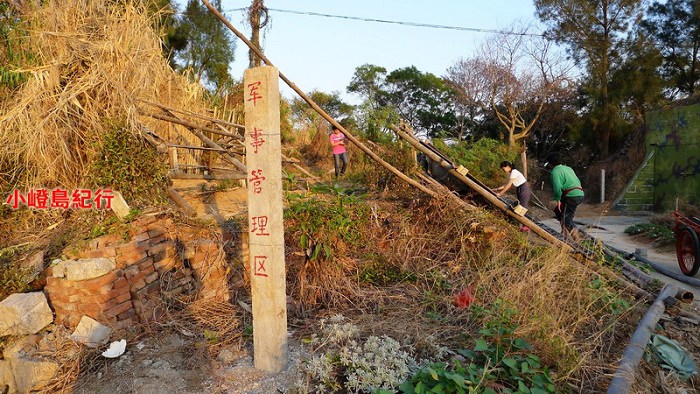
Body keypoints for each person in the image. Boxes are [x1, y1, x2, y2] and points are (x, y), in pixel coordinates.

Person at [545, 152, 584, 240]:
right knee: (558, 212)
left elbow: (557, 187)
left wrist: (558, 199)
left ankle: (577, 238)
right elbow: (577, 180)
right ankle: (564, 232)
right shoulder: (568, 168)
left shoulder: (555, 171)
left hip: (571, 196)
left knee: (567, 218)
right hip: (579, 193)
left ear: (550, 164)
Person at [493, 161, 531, 232]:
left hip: (523, 189)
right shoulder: (512, 173)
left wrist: (500, 194)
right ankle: (522, 226)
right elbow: (506, 184)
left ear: (508, 167)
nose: (503, 170)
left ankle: (525, 226)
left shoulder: (514, 172)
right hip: (520, 189)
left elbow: (508, 185)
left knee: (522, 208)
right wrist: (496, 189)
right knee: (519, 207)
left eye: (503, 168)